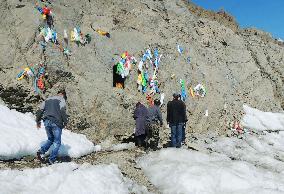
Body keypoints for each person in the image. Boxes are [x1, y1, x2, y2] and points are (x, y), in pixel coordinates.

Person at [35, 89, 68, 164]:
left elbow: (40, 110)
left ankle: (40, 152)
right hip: (56, 122)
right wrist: (65, 122)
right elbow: (62, 110)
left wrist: (38, 121)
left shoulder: (47, 99)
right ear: (63, 95)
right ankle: (51, 160)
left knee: (50, 139)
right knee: (57, 142)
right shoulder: (61, 99)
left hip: (46, 121)